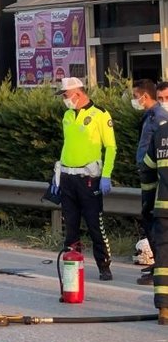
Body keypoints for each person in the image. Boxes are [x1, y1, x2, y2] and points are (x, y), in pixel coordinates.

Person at [52, 77, 116, 280]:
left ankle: (104, 266)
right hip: (68, 177)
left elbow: (111, 147)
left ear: (78, 93)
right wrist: (58, 174)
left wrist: (106, 175)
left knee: (95, 225)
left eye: (65, 95)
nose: (64, 99)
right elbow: (68, 145)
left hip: (89, 179)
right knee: (70, 226)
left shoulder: (100, 115)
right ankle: (72, 266)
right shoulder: (67, 115)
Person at [133, 79, 168, 285]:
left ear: (144, 96)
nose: (135, 100)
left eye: (135, 96)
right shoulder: (151, 116)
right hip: (148, 176)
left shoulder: (160, 118)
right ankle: (158, 264)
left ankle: (161, 267)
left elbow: (158, 151)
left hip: (156, 179)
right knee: (148, 218)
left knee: (155, 221)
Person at [139, 121, 168, 324]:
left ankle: (164, 310)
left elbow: (147, 168)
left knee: (164, 259)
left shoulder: (161, 133)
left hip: (163, 208)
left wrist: (147, 201)